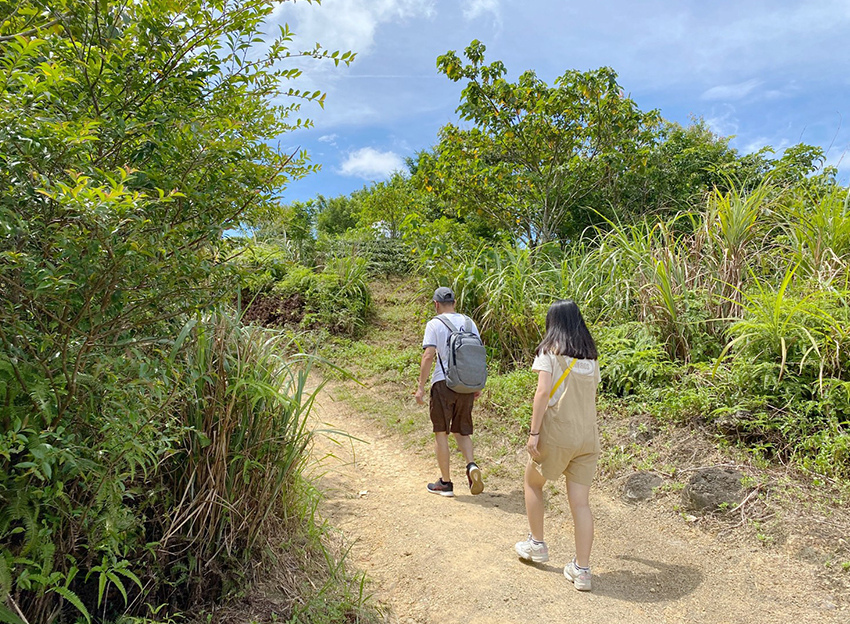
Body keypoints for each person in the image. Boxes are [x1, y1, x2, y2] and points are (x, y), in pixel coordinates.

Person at [514, 299, 600, 591]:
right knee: (581, 504)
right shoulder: (591, 358)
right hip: (588, 436)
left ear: (553, 324)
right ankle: (583, 570)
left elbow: (542, 393)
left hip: (558, 433)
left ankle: (537, 544)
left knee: (532, 483)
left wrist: (534, 433)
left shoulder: (548, 353)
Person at [414, 287, 485, 497]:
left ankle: (445, 483)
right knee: (462, 431)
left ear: (436, 304)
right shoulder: (469, 322)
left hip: (443, 384)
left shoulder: (435, 324)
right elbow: (478, 354)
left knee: (441, 433)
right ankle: (471, 465)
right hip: (466, 384)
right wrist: (477, 384)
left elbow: (429, 355)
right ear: (455, 302)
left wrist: (420, 386)